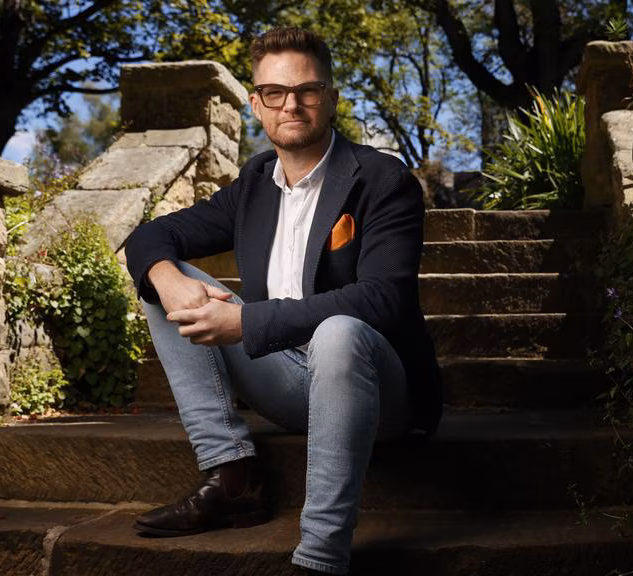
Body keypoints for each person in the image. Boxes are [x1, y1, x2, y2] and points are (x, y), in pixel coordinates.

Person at [123, 26, 442, 576]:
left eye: (307, 90)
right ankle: (232, 475)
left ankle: (319, 557)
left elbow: (382, 301)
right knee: (162, 277)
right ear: (256, 103)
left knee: (339, 331)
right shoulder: (253, 183)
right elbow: (151, 236)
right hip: (287, 381)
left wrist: (246, 321)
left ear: (331, 97)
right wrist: (167, 278)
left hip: (378, 391)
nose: (291, 104)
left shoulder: (382, 179)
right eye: (274, 92)